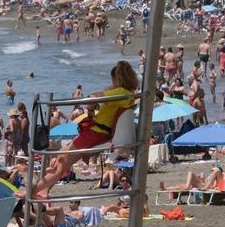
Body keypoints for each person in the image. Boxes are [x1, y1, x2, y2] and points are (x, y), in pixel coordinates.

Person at [27, 61, 140, 199]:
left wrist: (91, 108)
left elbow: (91, 98)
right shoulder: (127, 94)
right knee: (60, 156)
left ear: (117, 79)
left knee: (62, 161)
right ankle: (43, 190)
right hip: (98, 131)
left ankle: (33, 193)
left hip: (96, 132)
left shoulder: (119, 92)